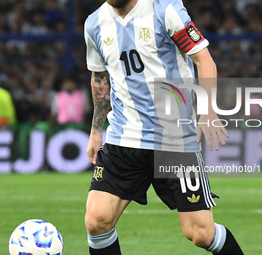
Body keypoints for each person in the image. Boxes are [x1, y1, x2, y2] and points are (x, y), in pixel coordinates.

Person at [84, 0, 244, 254]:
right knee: (96, 220)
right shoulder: (94, 24)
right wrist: (96, 130)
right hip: (123, 139)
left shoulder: (165, 9)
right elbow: (100, 77)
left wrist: (208, 110)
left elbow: (204, 61)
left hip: (174, 140)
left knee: (201, 233)